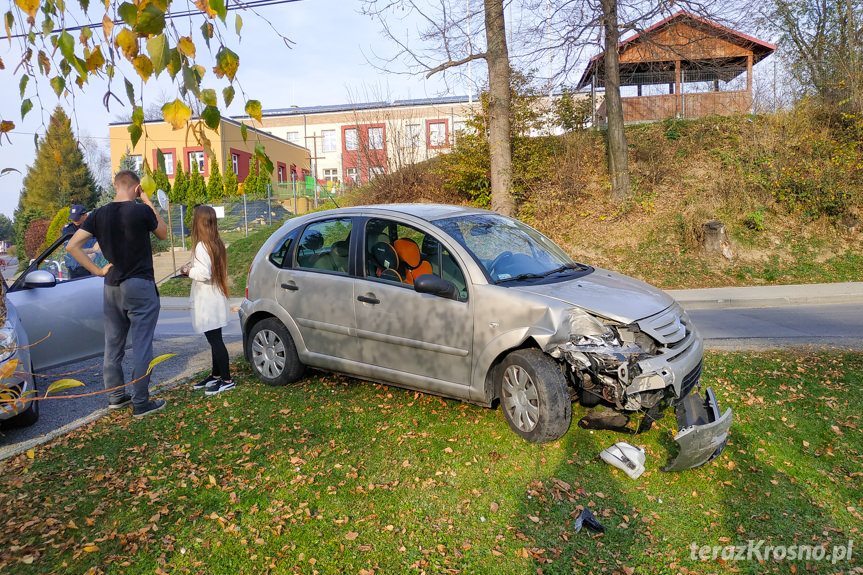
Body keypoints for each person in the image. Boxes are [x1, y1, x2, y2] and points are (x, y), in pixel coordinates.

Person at [67, 170, 169, 417]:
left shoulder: (98, 215)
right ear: (136, 188)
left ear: (115, 185)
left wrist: (98, 271)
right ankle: (141, 402)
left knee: (113, 345)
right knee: (142, 344)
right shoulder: (141, 210)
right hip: (140, 285)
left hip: (111, 286)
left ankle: (115, 398)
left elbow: (72, 246)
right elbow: (163, 233)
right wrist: (147, 200)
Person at [181, 205, 235, 395]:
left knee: (215, 341)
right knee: (215, 339)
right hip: (214, 297)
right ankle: (216, 375)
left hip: (208, 301)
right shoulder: (215, 243)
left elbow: (204, 273)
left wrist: (188, 271)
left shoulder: (201, 246)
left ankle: (227, 379)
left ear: (200, 222)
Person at [63, 204, 100, 279]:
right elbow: (71, 249)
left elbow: (101, 244)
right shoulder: (69, 229)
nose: (74, 220)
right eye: (73, 218)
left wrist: (95, 253)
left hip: (95, 264)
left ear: (85, 215)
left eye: (77, 218)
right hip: (76, 267)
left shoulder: (95, 225)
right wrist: (93, 250)